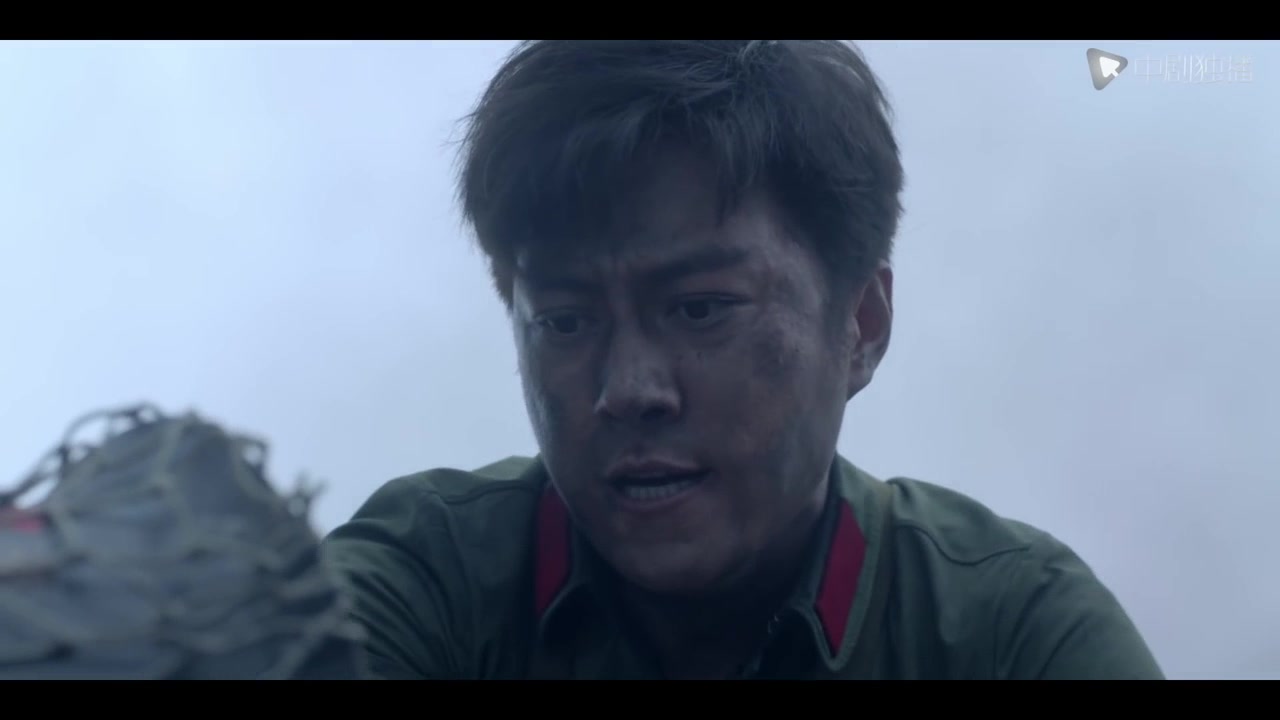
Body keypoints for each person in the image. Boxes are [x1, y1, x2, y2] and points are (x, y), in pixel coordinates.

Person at [320, 39, 1165, 680]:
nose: (630, 389)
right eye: (566, 320)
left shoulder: (1008, 631)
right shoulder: (426, 580)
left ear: (862, 324)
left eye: (700, 309)